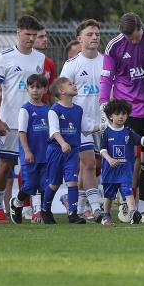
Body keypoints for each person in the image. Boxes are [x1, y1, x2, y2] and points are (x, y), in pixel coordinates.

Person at [100, 12, 144, 223]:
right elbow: (107, 78)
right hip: (125, 113)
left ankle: (142, 210)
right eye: (128, 38)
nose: (132, 41)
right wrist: (104, 105)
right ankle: (125, 206)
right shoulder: (114, 46)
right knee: (125, 161)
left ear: (141, 27)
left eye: (135, 36)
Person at [0, 15, 46, 224]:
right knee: (5, 166)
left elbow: (42, 90)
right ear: (18, 32)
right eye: (27, 34)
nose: (31, 38)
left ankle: (33, 209)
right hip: (10, 121)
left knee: (35, 167)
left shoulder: (39, 58)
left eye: (34, 35)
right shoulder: (4, 57)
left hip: (34, 124)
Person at [60, 19, 105, 221]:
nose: (94, 37)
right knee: (88, 164)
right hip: (81, 124)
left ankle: (75, 204)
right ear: (80, 39)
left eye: (96, 34)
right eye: (89, 34)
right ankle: (96, 208)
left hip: (104, 123)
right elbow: (61, 93)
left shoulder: (107, 62)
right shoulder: (72, 65)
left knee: (94, 167)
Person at [41, 77, 100, 224]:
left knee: (72, 181)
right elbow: (54, 131)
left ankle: (72, 214)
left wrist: (105, 125)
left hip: (73, 151)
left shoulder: (78, 110)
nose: (74, 85)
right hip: (57, 150)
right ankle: (45, 209)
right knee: (54, 184)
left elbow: (87, 128)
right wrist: (62, 143)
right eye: (70, 84)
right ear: (61, 91)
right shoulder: (54, 110)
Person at [99, 99, 144, 225]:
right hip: (110, 170)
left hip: (125, 171)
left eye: (124, 114)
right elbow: (102, 150)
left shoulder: (128, 131)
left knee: (128, 192)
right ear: (110, 116)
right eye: (117, 114)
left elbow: (142, 141)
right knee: (109, 196)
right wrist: (109, 159)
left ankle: (133, 213)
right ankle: (106, 216)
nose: (121, 116)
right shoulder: (106, 132)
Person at [10, 74, 50, 224]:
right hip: (31, 154)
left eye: (38, 87)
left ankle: (39, 214)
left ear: (45, 89)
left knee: (44, 186)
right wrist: (27, 151)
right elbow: (22, 132)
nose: (35, 90)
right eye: (32, 87)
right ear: (27, 89)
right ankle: (17, 203)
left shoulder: (48, 109)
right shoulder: (25, 109)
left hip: (45, 154)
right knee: (30, 185)